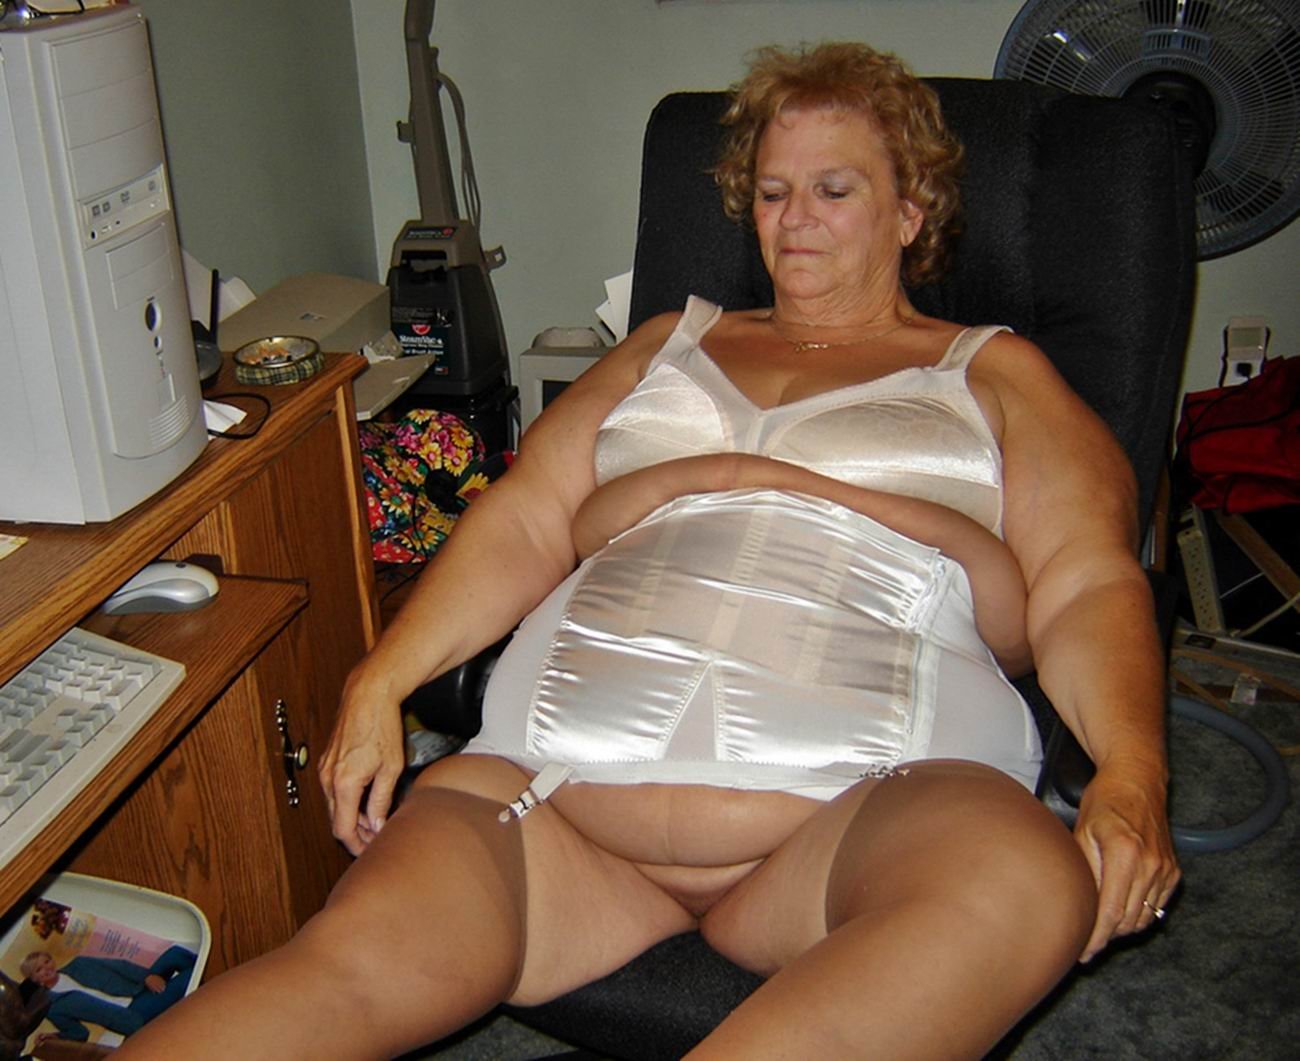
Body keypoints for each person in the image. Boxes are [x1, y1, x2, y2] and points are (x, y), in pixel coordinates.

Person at [117, 42, 1180, 1059]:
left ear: (911, 210)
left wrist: (1131, 774)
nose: (794, 219)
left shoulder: (991, 374)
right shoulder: (664, 344)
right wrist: (379, 679)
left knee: (1021, 879)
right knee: (339, 974)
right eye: (773, 191)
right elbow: (528, 516)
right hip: (552, 803)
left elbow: (1085, 579)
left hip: (861, 810)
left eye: (834, 189)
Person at [19, 947, 195, 1043]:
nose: (46, 968)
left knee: (176, 954)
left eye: (47, 961)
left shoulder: (79, 964)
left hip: (138, 988)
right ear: (33, 979)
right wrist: (56, 1037)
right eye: (39, 969)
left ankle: (198, 994)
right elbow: (79, 1033)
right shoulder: (53, 1006)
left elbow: (118, 966)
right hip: (132, 1014)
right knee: (189, 976)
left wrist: (147, 977)